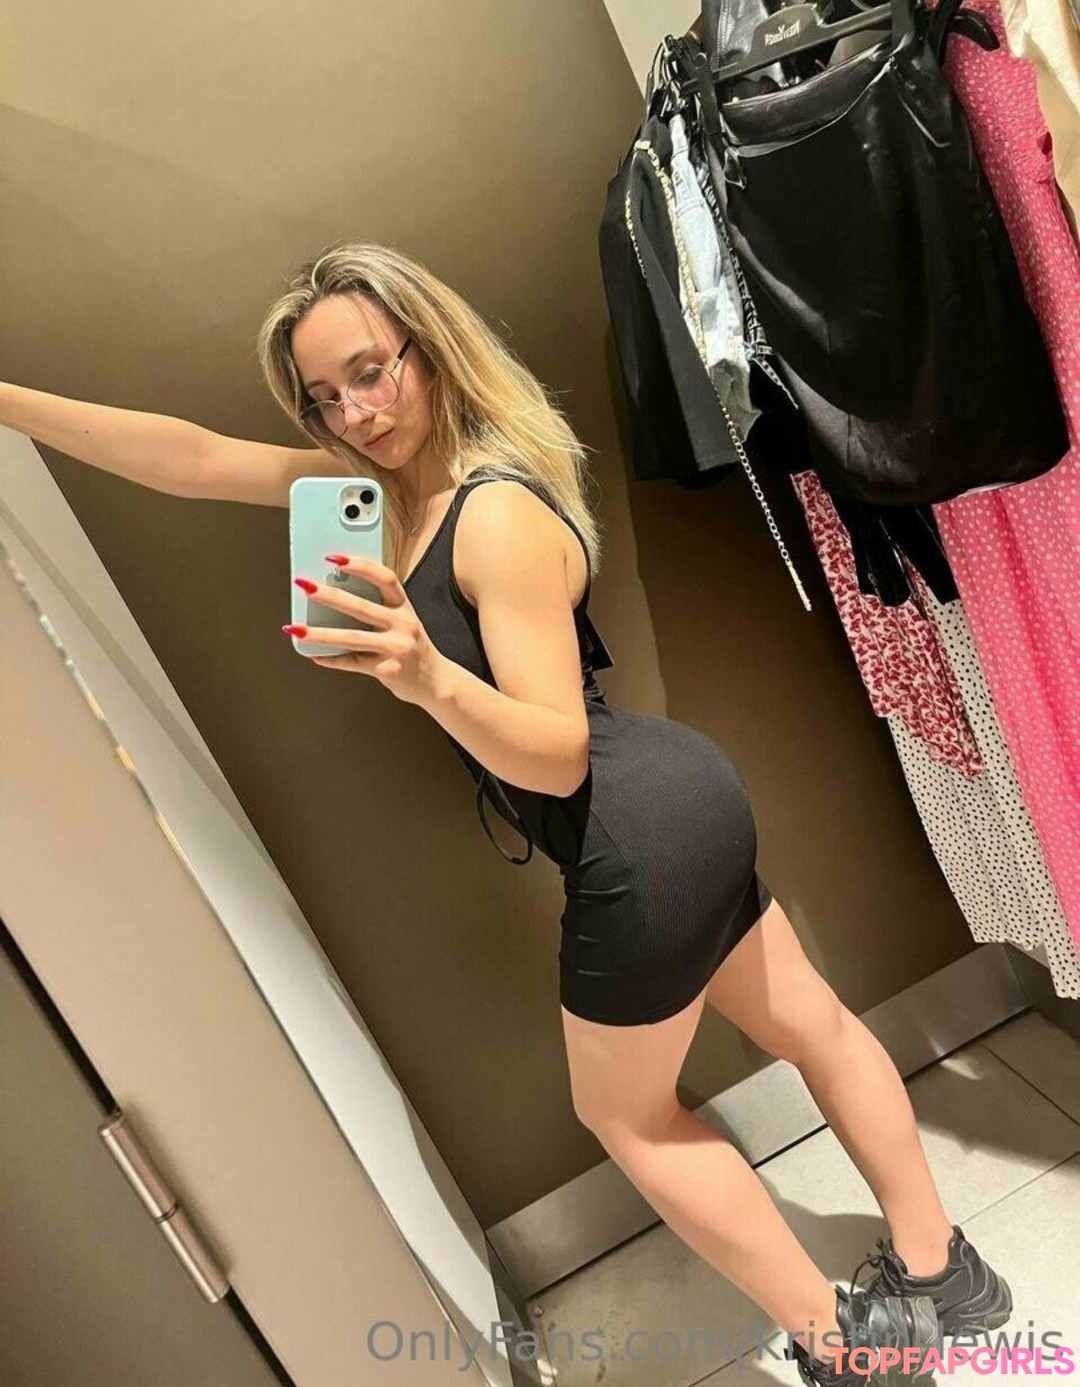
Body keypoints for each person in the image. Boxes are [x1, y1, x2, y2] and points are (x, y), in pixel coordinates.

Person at [0, 240, 1011, 1385]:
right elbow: (189, 456)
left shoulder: (492, 514)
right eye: (324, 398)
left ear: (429, 351)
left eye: (372, 371)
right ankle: (944, 1273)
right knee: (813, 1025)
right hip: (680, 802)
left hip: (632, 829)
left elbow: (560, 753)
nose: (355, 414)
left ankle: (853, 1350)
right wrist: (9, 404)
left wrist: (426, 676)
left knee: (629, 1119)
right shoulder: (378, 494)